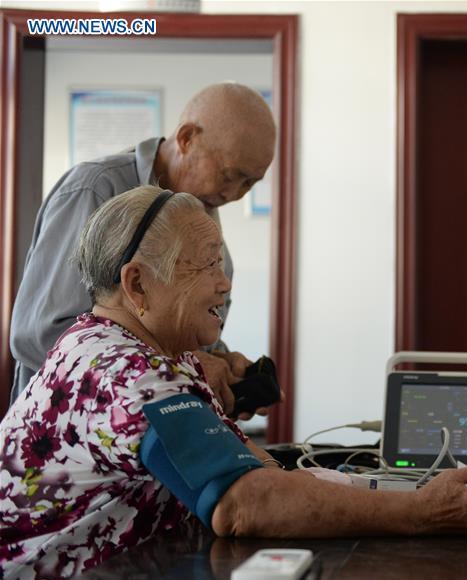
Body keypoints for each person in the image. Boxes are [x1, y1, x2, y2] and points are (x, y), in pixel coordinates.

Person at [0, 186, 467, 580]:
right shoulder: (121, 371)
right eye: (207, 264)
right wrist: (420, 513)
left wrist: (440, 488)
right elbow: (244, 505)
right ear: (137, 285)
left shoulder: (164, 356)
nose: (225, 284)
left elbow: (257, 470)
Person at [9, 82, 275, 415]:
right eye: (230, 175)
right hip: (68, 439)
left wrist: (222, 365)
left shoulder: (200, 216)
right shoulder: (95, 189)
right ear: (187, 138)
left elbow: (181, 338)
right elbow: (41, 333)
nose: (235, 194)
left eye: (250, 183)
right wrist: (180, 370)